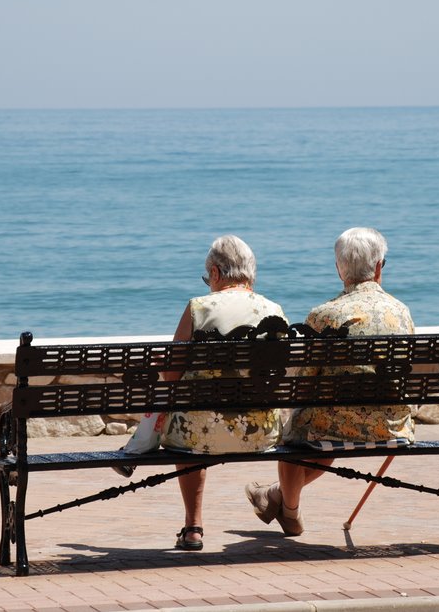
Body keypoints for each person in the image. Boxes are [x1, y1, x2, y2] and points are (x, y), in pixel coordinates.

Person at [245, 227, 415, 536]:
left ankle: (289, 510)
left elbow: (305, 382)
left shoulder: (324, 315)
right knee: (319, 424)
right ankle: (274, 496)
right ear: (378, 267)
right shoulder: (401, 313)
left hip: (335, 423)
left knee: (297, 429)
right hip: (391, 424)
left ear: (340, 269)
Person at [147, 235, 287, 551]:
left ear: (215, 273)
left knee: (189, 417)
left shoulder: (199, 307)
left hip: (200, 435)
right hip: (261, 434)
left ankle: (193, 527)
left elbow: (171, 376)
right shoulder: (274, 310)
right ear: (251, 273)